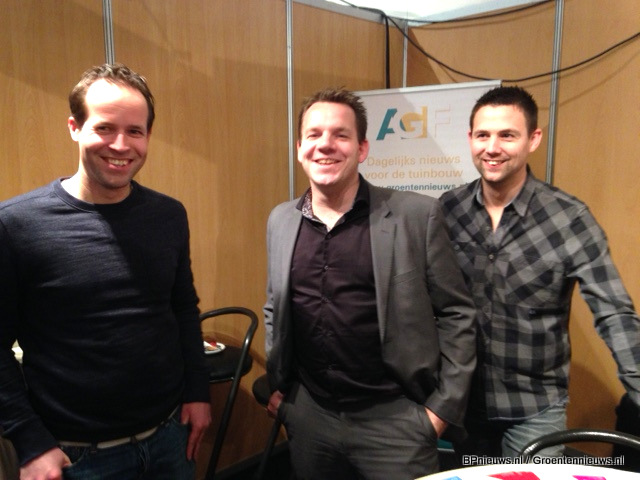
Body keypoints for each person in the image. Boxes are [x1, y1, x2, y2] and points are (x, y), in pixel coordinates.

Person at [0, 63, 211, 480]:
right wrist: (30, 442)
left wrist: (198, 392)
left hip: (170, 436)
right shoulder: (15, 225)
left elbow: (183, 310)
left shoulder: (169, 215)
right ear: (74, 127)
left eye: (135, 131)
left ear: (148, 135)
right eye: (104, 128)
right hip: (75, 456)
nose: (121, 145)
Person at [263, 87, 477, 479]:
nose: (325, 144)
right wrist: (285, 395)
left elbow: (457, 313)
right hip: (310, 418)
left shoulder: (417, 216)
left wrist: (440, 411)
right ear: (300, 148)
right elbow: (275, 306)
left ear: (362, 148)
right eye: (314, 134)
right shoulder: (281, 220)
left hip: (396, 423)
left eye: (340, 135)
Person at [440, 85, 640, 458]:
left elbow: (614, 311)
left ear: (533, 139)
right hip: (462, 403)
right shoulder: (446, 211)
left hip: (534, 408)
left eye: (507, 135)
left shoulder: (569, 218)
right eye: (483, 135)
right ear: (470, 139)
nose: (492, 147)